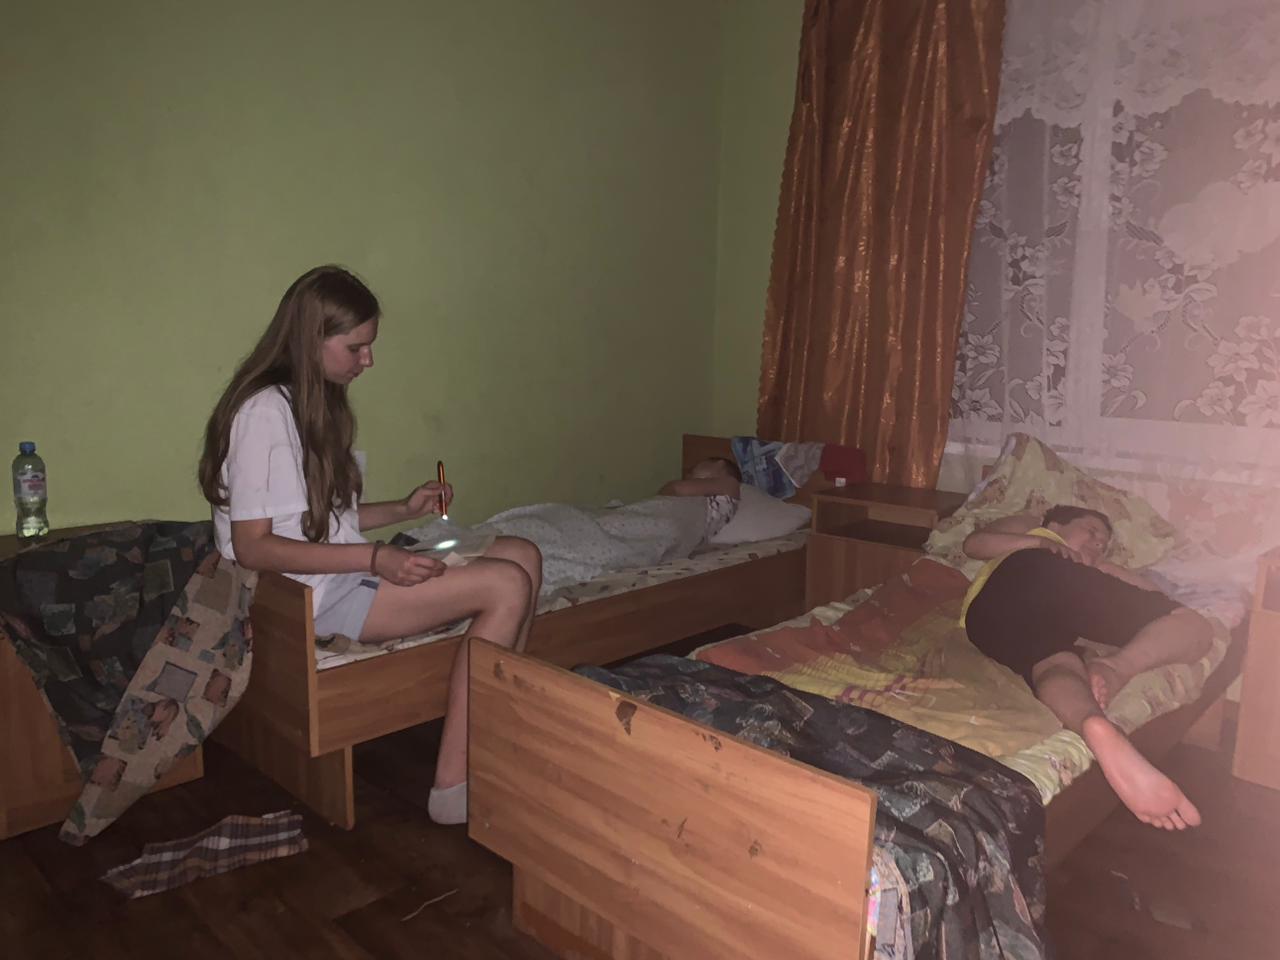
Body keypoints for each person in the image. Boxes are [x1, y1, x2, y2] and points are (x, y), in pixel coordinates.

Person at [198, 265, 542, 825]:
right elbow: (254, 546)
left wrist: (403, 510)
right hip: (309, 596)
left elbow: (319, 520)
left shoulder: (311, 403)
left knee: (524, 552)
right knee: (508, 583)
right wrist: (377, 557)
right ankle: (454, 785)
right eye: (356, 347)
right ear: (312, 339)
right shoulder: (264, 412)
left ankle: (498, 730)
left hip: (336, 574)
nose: (369, 360)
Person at [961, 504, 1212, 831]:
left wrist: (1103, 566)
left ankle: (1091, 721)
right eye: (1091, 531)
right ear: (1055, 524)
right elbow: (973, 544)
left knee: (1055, 663)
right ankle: (1116, 670)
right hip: (1031, 571)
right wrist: (1042, 543)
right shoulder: (1037, 532)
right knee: (1197, 628)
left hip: (984, 623)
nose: (1097, 544)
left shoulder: (1091, 567)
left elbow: (1153, 594)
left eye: (1103, 544)